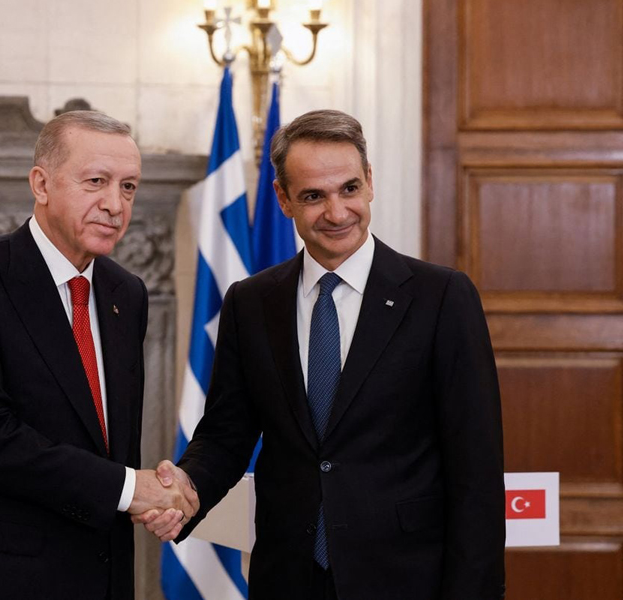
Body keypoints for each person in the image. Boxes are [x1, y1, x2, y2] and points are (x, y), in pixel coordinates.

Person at [139, 110, 505, 599]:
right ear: (284, 199)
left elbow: (475, 470)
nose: (336, 212)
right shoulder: (251, 302)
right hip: (288, 577)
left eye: (348, 189)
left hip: (408, 579)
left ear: (370, 182)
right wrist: (184, 492)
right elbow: (227, 433)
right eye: (314, 196)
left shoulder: (442, 298)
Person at [0, 110, 198, 600]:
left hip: (100, 576)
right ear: (41, 184)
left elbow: (110, 447)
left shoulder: (127, 294)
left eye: (128, 187)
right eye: (96, 182)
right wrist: (131, 489)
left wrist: (153, 501)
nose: (115, 205)